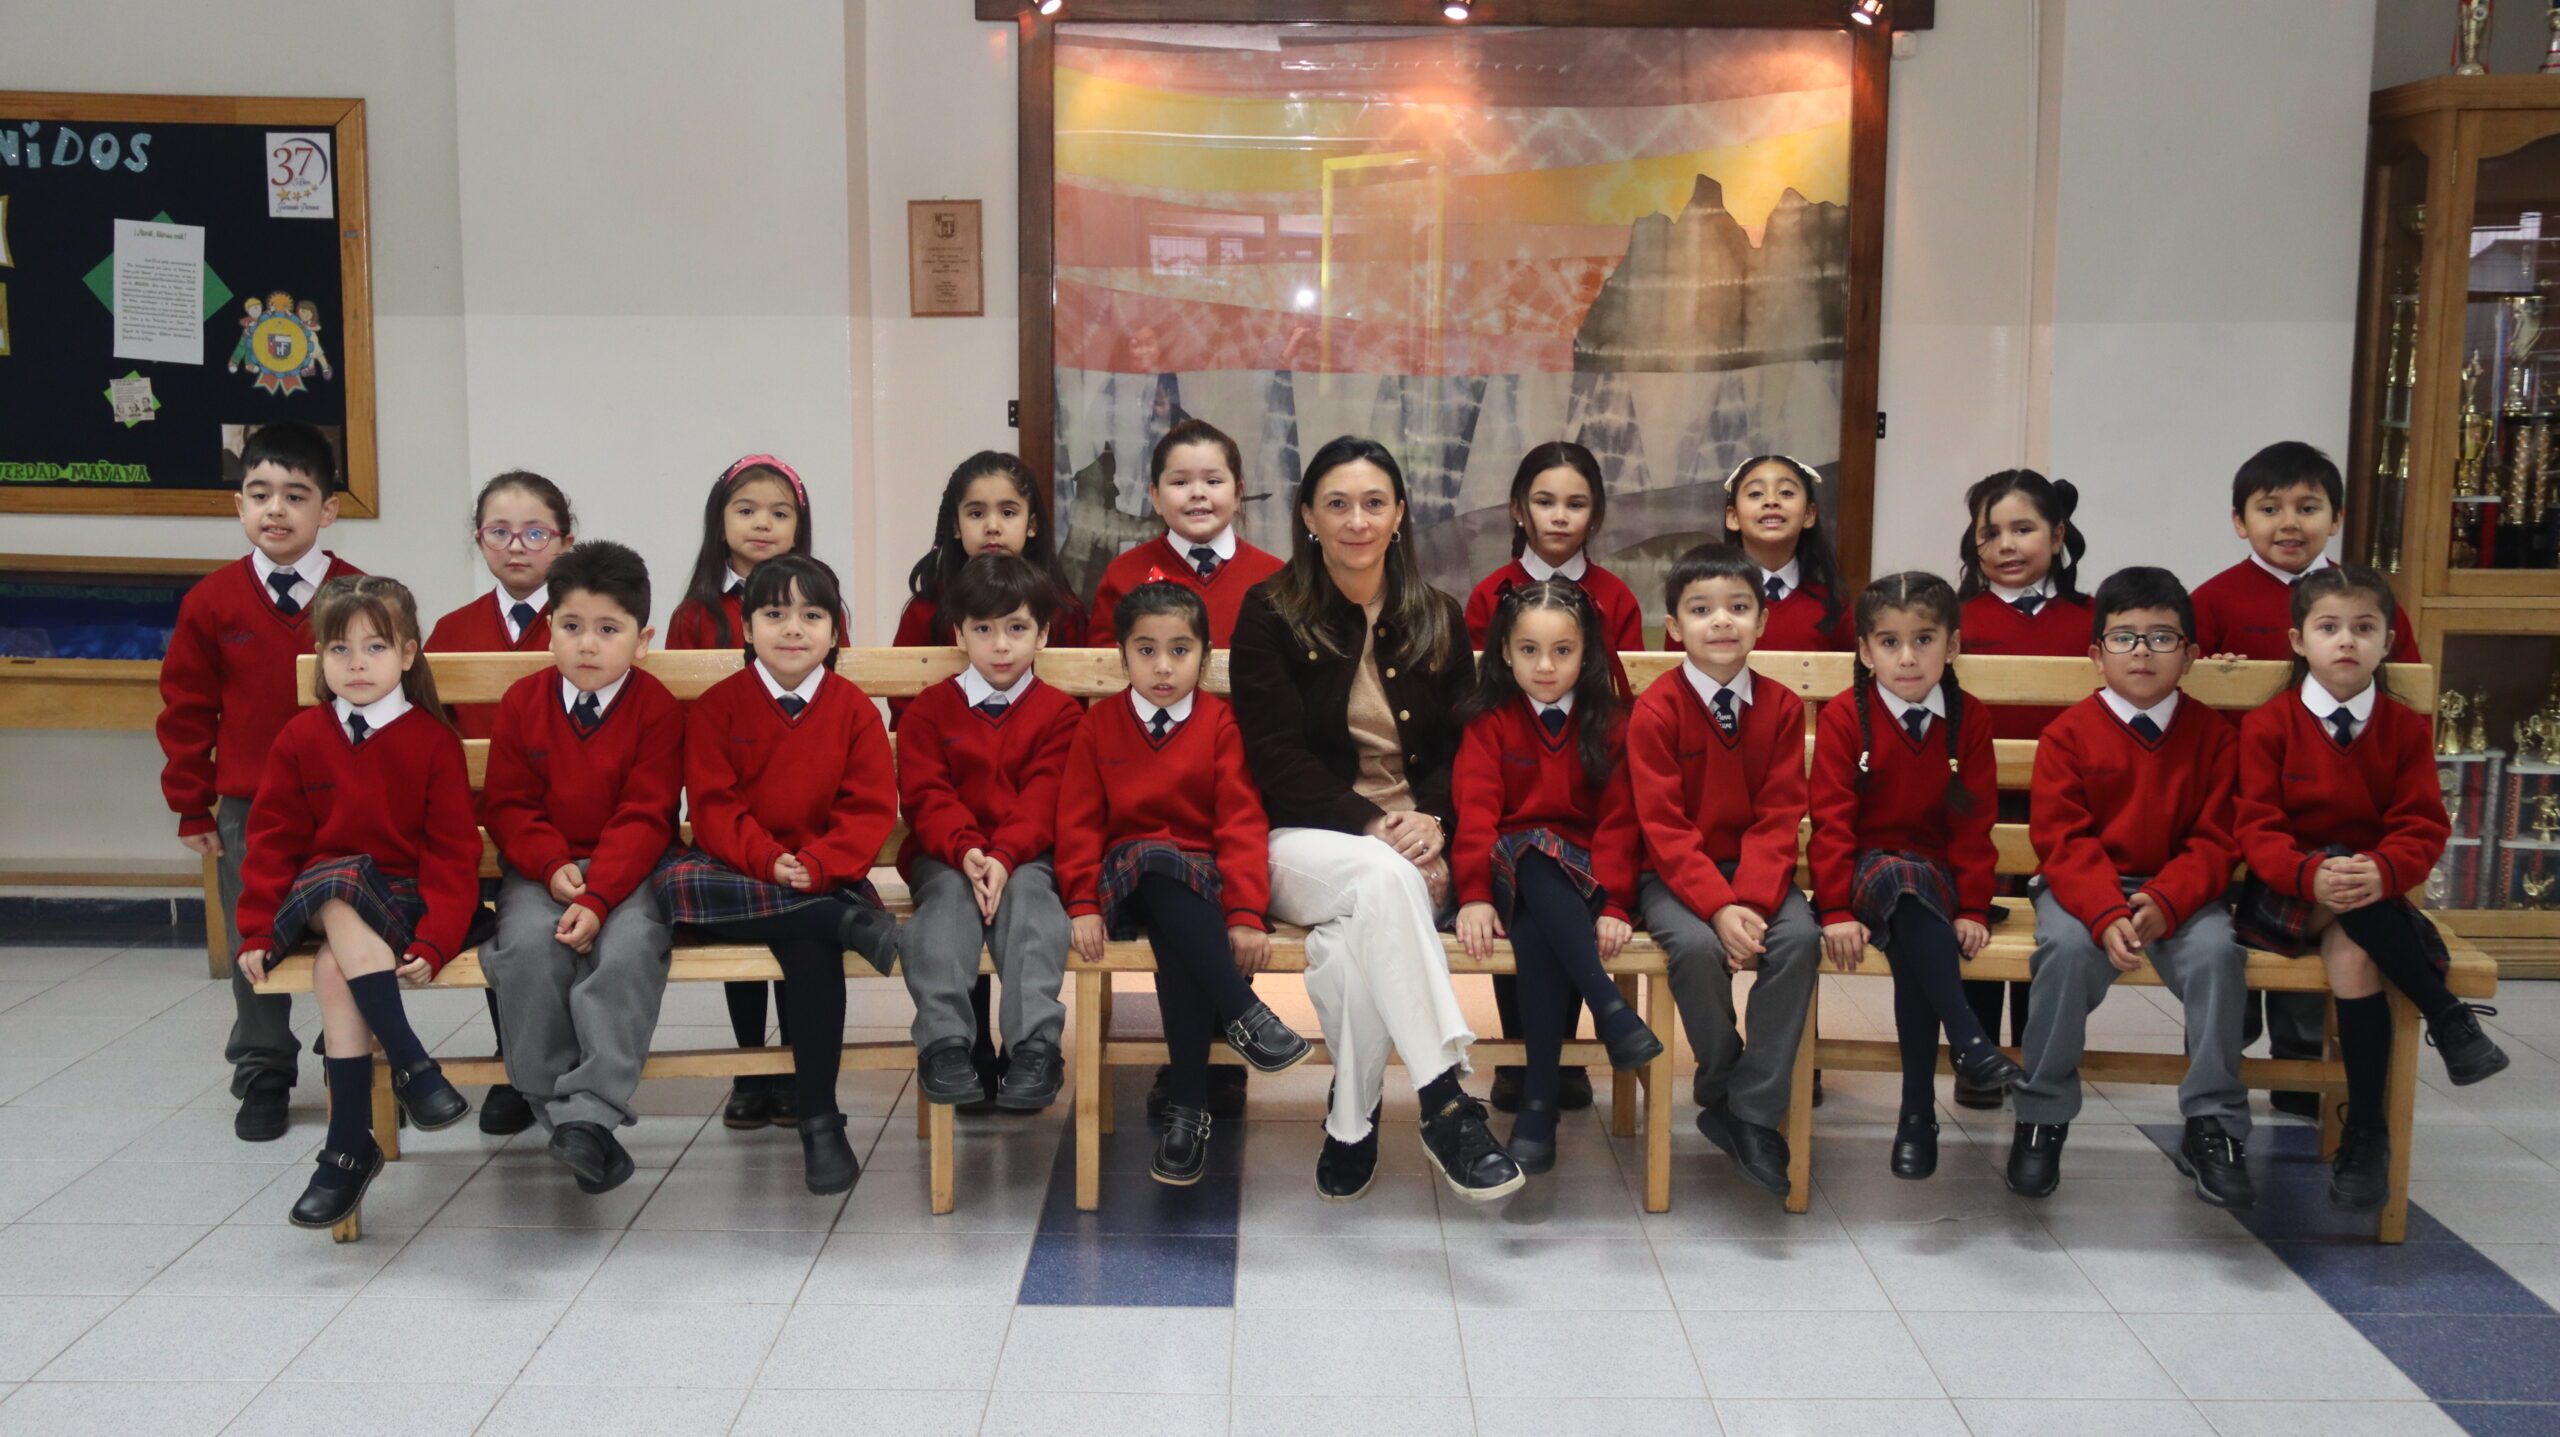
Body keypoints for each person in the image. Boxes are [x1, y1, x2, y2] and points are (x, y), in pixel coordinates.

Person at [1230, 435, 1523, 1203]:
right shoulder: (1269, 613)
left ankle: (1351, 1122)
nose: (1356, 520)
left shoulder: (1436, 615)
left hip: (1413, 848)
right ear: (1308, 516)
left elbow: (1464, 748)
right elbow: (1275, 756)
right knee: (1381, 877)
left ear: (1399, 515)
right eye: (1337, 504)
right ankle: (1444, 1098)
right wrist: (1377, 825)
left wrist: (1436, 821)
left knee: (1346, 948)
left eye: (1373, 503)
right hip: (1300, 842)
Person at [2233, 565, 2507, 1211]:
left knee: (2356, 954)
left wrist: (2382, 869)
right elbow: (2256, 827)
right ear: (2299, 640)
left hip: (2369, 895)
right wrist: (2312, 873)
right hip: (2285, 894)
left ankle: (2365, 1133)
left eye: (2364, 628)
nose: (2346, 641)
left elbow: (2422, 826)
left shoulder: (2403, 728)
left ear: (2387, 642)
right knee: (2342, 875)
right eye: (2329, 627)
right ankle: (2447, 1015)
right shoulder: (2269, 724)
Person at [233, 576, 489, 1231]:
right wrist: (257, 927)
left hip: (402, 902)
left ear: (406, 654)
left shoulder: (431, 740)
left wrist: (436, 938)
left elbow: (453, 854)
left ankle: (348, 1147)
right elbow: (271, 842)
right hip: (323, 894)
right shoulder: (300, 736)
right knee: (333, 883)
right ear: (320, 657)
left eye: (374, 647)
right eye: (339, 648)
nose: (356, 663)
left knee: (332, 963)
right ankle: (410, 1064)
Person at [2006, 566, 2253, 1210]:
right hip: (2083, 891)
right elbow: (2063, 841)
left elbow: (2217, 839)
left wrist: (2165, 903)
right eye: (2124, 638)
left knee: (2218, 956)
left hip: (2181, 894)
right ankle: (2042, 1115)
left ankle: (2213, 1123)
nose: (2142, 651)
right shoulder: (2067, 735)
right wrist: (2105, 910)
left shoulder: (2214, 738)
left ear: (2190, 655)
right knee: (2063, 952)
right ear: (2097, 654)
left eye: (2161, 637)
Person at [651, 555, 899, 1194]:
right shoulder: (718, 707)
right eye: (774, 613)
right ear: (747, 627)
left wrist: (814, 865)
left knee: (808, 943)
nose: (793, 628)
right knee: (677, 885)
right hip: (738, 869)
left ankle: (821, 1122)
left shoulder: (853, 709)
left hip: (822, 875)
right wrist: (767, 860)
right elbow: (713, 807)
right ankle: (842, 924)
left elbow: (868, 808)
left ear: (836, 632)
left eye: (812, 615)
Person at [2193, 441, 2424, 1120]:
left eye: (2308, 507)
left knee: (2315, 946)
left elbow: (2404, 693)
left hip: (2335, 821)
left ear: (2337, 517)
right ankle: (2223, 1067)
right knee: (2230, 940)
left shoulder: (2367, 600)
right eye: (2270, 508)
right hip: (2241, 809)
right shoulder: (2213, 599)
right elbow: (2180, 695)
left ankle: (2301, 1070)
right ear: (2240, 521)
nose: (2289, 522)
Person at [1061, 582, 1309, 1184]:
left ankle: (1188, 1112)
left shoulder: (1221, 724)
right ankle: (1244, 1011)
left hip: (1200, 886)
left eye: (1180, 650)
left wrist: (1245, 914)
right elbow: (1078, 824)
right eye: (1146, 650)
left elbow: (1242, 826)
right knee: (1152, 857)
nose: (1164, 667)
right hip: (1126, 879)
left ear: (1205, 654)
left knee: (1179, 934)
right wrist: (1083, 901)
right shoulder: (1099, 726)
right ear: (1123, 655)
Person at [156, 420, 361, 1144]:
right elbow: (186, 708)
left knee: (353, 931)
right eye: (260, 493)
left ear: (327, 509)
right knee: (258, 934)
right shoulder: (212, 600)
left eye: (295, 495)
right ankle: (264, 1068)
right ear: (238, 504)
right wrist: (191, 803)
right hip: (248, 806)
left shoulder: (359, 594)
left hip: (346, 804)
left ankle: (349, 1057)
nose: (276, 509)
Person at [478, 541, 683, 1194]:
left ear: (642, 640)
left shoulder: (656, 708)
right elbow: (508, 804)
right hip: (542, 869)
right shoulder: (522, 702)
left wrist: (598, 896)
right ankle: (564, 1115)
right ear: (549, 630)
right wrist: (549, 864)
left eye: (608, 629)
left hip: (629, 872)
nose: (587, 644)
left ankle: (589, 1110)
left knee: (629, 946)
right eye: (571, 626)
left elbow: (647, 814)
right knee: (526, 949)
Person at [1810, 572, 2023, 1180]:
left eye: (1923, 640)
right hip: (1863, 874)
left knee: (1914, 919)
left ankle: (1918, 1114)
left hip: (1936, 884)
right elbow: (1831, 823)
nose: (1907, 657)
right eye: (1889, 642)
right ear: (1864, 651)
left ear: (1951, 646)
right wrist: (1834, 909)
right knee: (1900, 879)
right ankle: (1968, 1043)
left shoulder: (1968, 718)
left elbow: (1974, 824)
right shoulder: (1846, 718)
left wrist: (1975, 907)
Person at [893, 450, 1086, 1109]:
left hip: (1029, 851)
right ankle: (948, 1046)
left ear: (1042, 633)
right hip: (946, 851)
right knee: (946, 907)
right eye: (983, 629)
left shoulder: (1058, 710)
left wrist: (1003, 854)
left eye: (1017, 629)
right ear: (959, 633)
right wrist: (968, 850)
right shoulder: (932, 706)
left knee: (1033, 903)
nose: (1001, 644)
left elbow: (1049, 791)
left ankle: (1034, 1049)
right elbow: (926, 791)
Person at [1630, 544, 1821, 1199]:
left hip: (1760, 875)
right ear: (1674, 626)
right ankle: (1720, 1082)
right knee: (1693, 947)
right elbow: (1663, 825)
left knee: (1799, 939)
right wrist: (1717, 906)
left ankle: (1752, 1111)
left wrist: (1754, 904)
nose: (1721, 621)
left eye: (1739, 607)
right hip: (1675, 875)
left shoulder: (1782, 707)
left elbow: (1780, 813)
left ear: (1762, 622)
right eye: (1702, 609)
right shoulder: (1657, 708)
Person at [1463, 440, 1645, 1114]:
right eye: (1545, 501)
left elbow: (1625, 696)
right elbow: (1483, 693)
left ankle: (1555, 1062)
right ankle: (1536, 1053)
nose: (1560, 515)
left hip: (1586, 817)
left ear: (1595, 513)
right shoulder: (1491, 594)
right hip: (1514, 832)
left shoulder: (1615, 597)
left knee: (1550, 870)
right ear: (1519, 508)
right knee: (1530, 858)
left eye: (1576, 502)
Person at [1451, 580, 1658, 1175]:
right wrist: (1472, 895)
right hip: (1507, 873)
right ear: (1505, 653)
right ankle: (1608, 1008)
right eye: (1529, 650)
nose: (1546, 666)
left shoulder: (1612, 722)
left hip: (1587, 879)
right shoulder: (1489, 721)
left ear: (1587, 652)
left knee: (1539, 921)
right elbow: (1475, 815)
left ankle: (1538, 1107)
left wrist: (1616, 903)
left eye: (1563, 651)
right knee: (1533, 853)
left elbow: (1622, 822)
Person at [664, 454, 828, 1132]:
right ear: (720, 520)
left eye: (779, 512)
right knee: (743, 926)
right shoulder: (697, 612)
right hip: (729, 801)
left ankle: (791, 1068)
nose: (763, 523)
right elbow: (679, 705)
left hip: (801, 804)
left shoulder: (817, 600)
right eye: (747, 509)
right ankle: (750, 1063)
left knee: (796, 929)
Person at [425, 467, 580, 1137]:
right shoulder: (452, 629)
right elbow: (434, 738)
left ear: (565, 541)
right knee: (500, 928)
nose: (517, 546)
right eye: (500, 532)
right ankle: (514, 1061)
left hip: (568, 826)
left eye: (535, 532)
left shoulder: (584, 623)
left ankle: (563, 1060)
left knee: (554, 926)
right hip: (481, 825)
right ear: (479, 539)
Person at [1948, 468, 2094, 1109]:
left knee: (2048, 931)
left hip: (2065, 803)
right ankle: (1977, 1056)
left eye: (2024, 529)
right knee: (1980, 917)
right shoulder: (1954, 620)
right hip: (1980, 799)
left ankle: (2041, 1059)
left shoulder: (2094, 619)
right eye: (1991, 533)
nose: (2006, 545)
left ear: (2057, 535)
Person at [1085, 418, 1286, 646]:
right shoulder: (1123, 574)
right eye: (1180, 482)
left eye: (1213, 481)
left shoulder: (1276, 579)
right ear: (1155, 497)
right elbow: (1102, 663)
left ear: (1237, 494)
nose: (1197, 493)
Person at [1721, 454, 1850, 653]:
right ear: (1733, 517)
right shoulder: (1703, 603)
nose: (1771, 501)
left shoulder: (1835, 605)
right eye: (1755, 493)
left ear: (1809, 515)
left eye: (1786, 492)